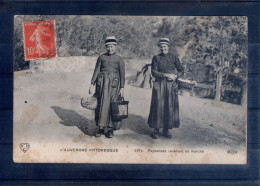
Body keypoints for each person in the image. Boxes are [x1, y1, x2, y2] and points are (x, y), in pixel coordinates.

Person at [89, 36, 125, 138]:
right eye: (108, 46)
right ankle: (100, 128)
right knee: (100, 105)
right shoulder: (101, 57)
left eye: (112, 46)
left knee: (112, 105)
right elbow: (96, 71)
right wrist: (92, 84)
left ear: (115, 46)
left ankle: (110, 129)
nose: (110, 48)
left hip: (114, 85)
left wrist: (122, 88)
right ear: (106, 47)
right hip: (101, 84)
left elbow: (122, 74)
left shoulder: (119, 59)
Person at [148, 38, 184, 139]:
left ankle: (166, 129)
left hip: (170, 85)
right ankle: (156, 129)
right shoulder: (156, 58)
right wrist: (165, 75)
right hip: (159, 84)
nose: (163, 49)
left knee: (169, 106)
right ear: (159, 48)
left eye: (165, 47)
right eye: (161, 47)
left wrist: (175, 76)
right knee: (158, 106)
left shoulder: (174, 57)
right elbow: (154, 72)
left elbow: (181, 70)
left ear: (168, 47)